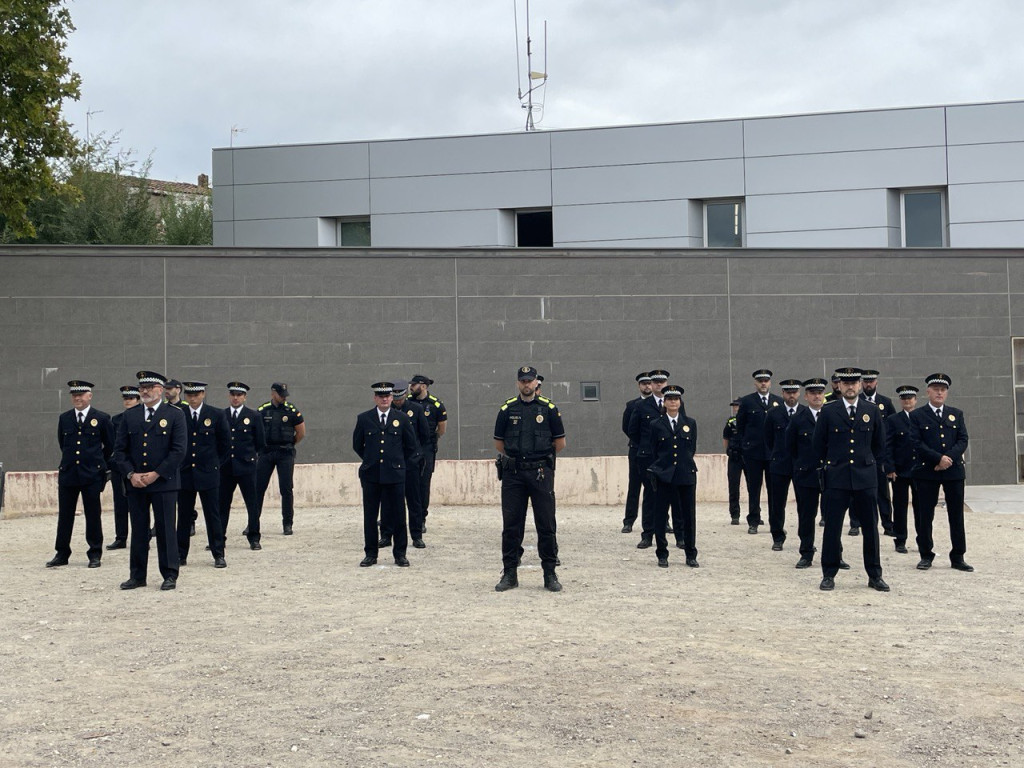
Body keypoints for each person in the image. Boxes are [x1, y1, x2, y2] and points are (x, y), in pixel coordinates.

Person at [812, 367, 888, 592]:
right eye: (845, 383)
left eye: (854, 383)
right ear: (839, 386)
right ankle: (829, 573)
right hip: (837, 478)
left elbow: (879, 444)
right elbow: (818, 444)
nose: (850, 387)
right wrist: (833, 463)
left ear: (860, 385)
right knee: (833, 528)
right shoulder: (828, 411)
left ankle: (874, 575)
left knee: (870, 529)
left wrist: (867, 463)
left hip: (865, 478)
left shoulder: (871, 410)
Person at [111, 371, 187, 591]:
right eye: (142, 387)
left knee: (165, 529)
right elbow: (120, 450)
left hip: (164, 482)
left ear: (161, 390)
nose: (144, 391)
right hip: (136, 484)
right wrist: (130, 474)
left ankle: (169, 573)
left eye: (149, 387)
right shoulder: (130, 415)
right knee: (139, 530)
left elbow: (178, 450)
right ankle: (137, 575)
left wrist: (156, 474)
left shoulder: (174, 415)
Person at [493, 366, 566, 592]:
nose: (526, 384)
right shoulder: (507, 409)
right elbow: (499, 443)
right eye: (522, 381)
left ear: (536, 383)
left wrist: (539, 459)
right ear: (518, 383)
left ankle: (550, 574)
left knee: (546, 524)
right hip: (514, 474)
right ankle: (510, 573)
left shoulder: (549, 409)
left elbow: (560, 443)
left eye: (530, 381)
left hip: (540, 473)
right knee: (512, 526)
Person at [48, 380, 115, 569]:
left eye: (81, 394)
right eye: (74, 395)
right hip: (69, 473)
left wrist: (98, 464)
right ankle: (62, 553)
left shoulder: (101, 418)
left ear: (89, 396)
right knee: (65, 515)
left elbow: (110, 445)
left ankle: (94, 553)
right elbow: (63, 443)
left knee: (93, 514)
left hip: (91, 474)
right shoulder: (65, 418)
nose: (77, 398)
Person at [909, 373, 972, 572]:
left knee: (956, 515)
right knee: (925, 515)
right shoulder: (917, 415)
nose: (939, 392)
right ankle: (926, 555)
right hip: (927, 471)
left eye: (943, 389)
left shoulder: (956, 413)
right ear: (928, 391)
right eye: (935, 389)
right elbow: (916, 442)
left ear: (947, 393)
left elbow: (962, 439)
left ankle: (958, 556)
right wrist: (937, 459)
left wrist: (947, 459)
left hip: (953, 471)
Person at [353, 381, 417, 568]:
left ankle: (400, 554)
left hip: (395, 475)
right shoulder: (364, 418)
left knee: (398, 515)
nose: (384, 399)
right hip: (371, 475)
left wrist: (397, 463)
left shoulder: (402, 418)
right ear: (375, 398)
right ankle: (371, 554)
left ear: (391, 397)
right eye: (381, 396)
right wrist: (371, 459)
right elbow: (357, 445)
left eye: (387, 396)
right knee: (370, 516)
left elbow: (410, 446)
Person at [786, 377, 843, 569]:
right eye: (813, 393)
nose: (817, 396)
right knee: (806, 516)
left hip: (831, 474)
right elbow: (790, 447)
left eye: (820, 392)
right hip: (807, 474)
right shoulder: (797, 419)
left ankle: (836, 555)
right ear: (806, 395)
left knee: (833, 517)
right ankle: (806, 553)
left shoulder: (834, 415)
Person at [176, 382, 229, 568]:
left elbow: (225, 445)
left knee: (213, 515)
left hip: (208, 473)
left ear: (203, 394)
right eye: (189, 394)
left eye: (196, 394)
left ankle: (218, 553)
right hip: (185, 474)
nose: (192, 397)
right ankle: (180, 554)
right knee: (183, 516)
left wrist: (214, 465)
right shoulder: (179, 414)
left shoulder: (216, 414)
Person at [627, 369, 681, 548]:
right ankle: (647, 535)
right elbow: (632, 430)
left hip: (669, 458)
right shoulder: (641, 406)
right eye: (655, 381)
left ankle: (679, 536)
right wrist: (646, 447)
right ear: (651, 383)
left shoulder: (674, 403)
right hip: (648, 459)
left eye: (662, 381)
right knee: (650, 496)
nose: (658, 384)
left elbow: (682, 426)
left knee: (675, 496)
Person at [647, 385, 699, 568]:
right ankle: (662, 553)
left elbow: (691, 449)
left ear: (680, 402)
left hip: (685, 475)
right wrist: (662, 469)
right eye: (669, 399)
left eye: (676, 399)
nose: (673, 402)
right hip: (664, 476)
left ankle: (690, 553)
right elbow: (654, 451)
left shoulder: (690, 423)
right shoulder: (656, 424)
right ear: (665, 402)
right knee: (660, 516)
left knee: (688, 516)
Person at [219, 382, 266, 550]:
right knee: (221, 505)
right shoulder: (221, 415)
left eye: (239, 395)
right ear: (229, 396)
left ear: (245, 397)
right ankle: (219, 538)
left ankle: (254, 537)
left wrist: (251, 459)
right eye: (233, 394)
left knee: (252, 504)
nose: (235, 397)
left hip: (246, 467)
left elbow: (260, 442)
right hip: (226, 468)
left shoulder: (253, 416)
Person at [735, 369, 781, 534]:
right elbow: (740, 426)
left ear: (770, 382)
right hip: (753, 452)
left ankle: (774, 521)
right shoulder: (747, 401)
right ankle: (753, 520)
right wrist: (744, 446)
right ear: (755, 383)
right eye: (760, 380)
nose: (763, 383)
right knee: (753, 488)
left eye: (766, 380)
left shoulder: (778, 402)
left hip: (772, 454)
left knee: (774, 489)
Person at [256, 383, 306, 536]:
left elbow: (301, 433)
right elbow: (256, 431)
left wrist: (289, 444)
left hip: (285, 453)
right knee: (258, 489)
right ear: (273, 393)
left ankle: (287, 524)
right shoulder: (262, 410)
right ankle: (253, 523)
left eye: (285, 394)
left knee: (286, 489)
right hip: (266, 453)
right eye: (280, 394)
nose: (284, 397)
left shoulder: (291, 411)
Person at [387, 379, 430, 548]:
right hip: (392, 464)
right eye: (395, 398)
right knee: (390, 501)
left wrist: (417, 456)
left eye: (400, 398)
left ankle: (416, 535)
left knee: (414, 500)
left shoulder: (416, 409)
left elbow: (425, 436)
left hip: (411, 463)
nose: (397, 401)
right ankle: (386, 534)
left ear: (405, 394)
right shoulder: (386, 412)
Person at [763, 379, 804, 551]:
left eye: (794, 392)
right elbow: (768, 439)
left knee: (804, 504)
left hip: (801, 465)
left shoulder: (805, 412)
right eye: (788, 392)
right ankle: (778, 536)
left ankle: (806, 539)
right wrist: (777, 455)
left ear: (799, 393)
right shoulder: (773, 414)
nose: (791, 395)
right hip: (779, 464)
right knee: (777, 503)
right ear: (783, 394)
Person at [408, 373, 447, 531]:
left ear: (423, 386)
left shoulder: (435, 405)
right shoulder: (407, 402)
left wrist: (432, 440)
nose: (411, 387)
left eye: (414, 385)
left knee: (423, 484)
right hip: (409, 448)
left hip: (426, 448)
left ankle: (421, 518)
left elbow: (442, 428)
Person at [861, 369, 896, 536]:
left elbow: (893, 428)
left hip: (880, 456)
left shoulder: (885, 402)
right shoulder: (857, 401)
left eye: (871, 381)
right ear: (861, 383)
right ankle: (856, 523)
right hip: (862, 454)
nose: (869, 384)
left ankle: (888, 524)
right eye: (866, 381)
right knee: (859, 492)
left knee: (883, 492)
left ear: (876, 382)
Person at [107, 385, 140, 551]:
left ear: (138, 400)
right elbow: (112, 444)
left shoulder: (143, 416)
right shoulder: (116, 419)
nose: (128, 401)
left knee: (140, 505)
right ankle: (121, 537)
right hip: (120, 466)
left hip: (137, 466)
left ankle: (143, 537)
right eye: (125, 398)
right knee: (120, 503)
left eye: (131, 398)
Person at [887, 385, 919, 555]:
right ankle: (900, 539)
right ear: (900, 401)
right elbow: (888, 445)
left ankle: (923, 539)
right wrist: (890, 468)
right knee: (899, 507)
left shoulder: (922, 417)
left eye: (910, 398)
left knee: (921, 507)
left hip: (919, 471)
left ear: (916, 400)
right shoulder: (893, 420)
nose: (907, 401)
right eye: (904, 398)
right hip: (900, 470)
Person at [622, 372, 653, 532]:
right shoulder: (632, 405)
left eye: (649, 383)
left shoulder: (660, 404)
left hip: (655, 453)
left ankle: (664, 520)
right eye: (644, 383)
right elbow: (627, 427)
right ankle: (629, 521)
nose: (647, 386)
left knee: (657, 487)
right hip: (636, 450)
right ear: (639, 386)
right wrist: (641, 443)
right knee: (634, 486)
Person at [721, 399, 743, 524]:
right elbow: (726, 437)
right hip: (734, 457)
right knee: (733, 485)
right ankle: (735, 514)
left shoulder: (748, 421)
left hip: (748, 456)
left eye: (738, 406)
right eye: (734, 406)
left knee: (753, 487)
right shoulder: (730, 422)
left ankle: (755, 514)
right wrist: (728, 451)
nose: (736, 408)